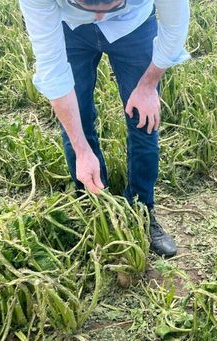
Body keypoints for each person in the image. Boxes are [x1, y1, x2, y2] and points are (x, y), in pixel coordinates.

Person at [18, 0, 191, 257]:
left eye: (110, 5)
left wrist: (147, 86)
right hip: (71, 28)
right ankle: (94, 207)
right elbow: (54, 74)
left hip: (134, 25)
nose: (99, 17)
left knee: (143, 121)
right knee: (78, 119)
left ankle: (142, 210)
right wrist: (81, 149)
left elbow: (174, 29)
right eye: (89, 6)